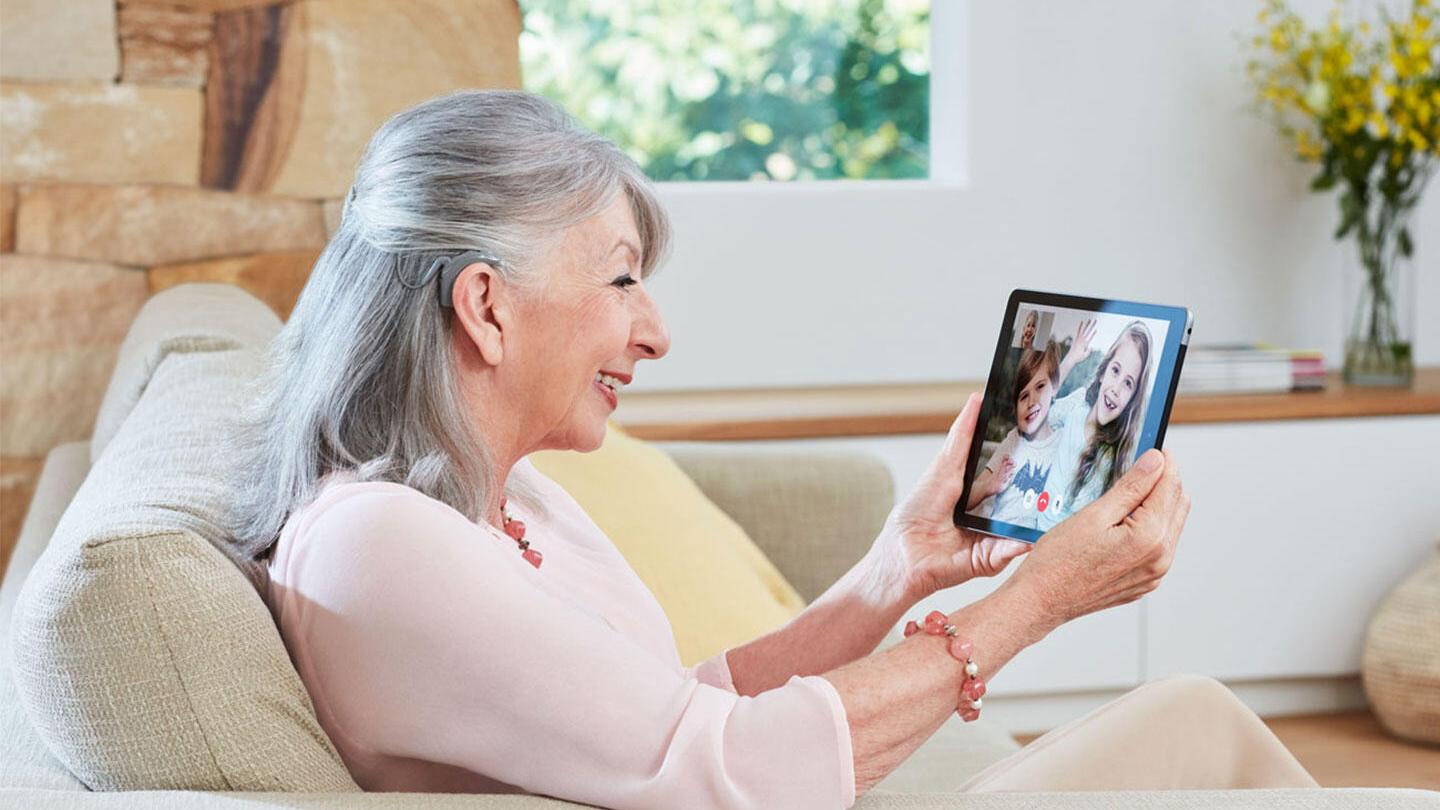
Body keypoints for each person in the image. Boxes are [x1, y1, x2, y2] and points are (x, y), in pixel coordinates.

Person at [227, 90, 1315, 809]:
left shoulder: (513, 502)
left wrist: (898, 568)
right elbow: (727, 765)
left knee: (1193, 720)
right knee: (1198, 728)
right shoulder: (377, 542)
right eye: (619, 279)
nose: (655, 330)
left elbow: (677, 707)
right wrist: (1035, 602)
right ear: (487, 308)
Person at [1037, 319, 1155, 530]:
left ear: (1132, 400)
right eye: (1115, 371)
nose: (1116, 389)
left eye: (1128, 384)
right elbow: (1040, 408)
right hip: (1033, 530)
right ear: (1102, 372)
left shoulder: (1113, 458)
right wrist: (1072, 357)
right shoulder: (1076, 405)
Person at [967, 343, 1062, 528]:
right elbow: (968, 499)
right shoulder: (1014, 441)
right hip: (999, 534)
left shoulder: (1063, 440)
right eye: (1023, 396)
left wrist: (1073, 356)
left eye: (1040, 387)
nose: (1031, 401)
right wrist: (990, 486)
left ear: (1055, 387)